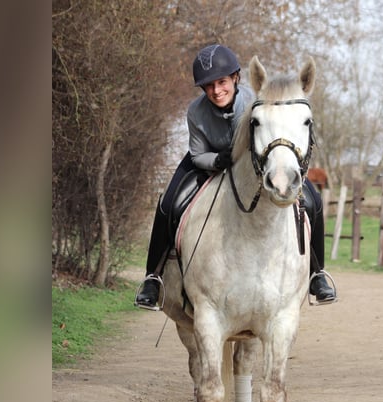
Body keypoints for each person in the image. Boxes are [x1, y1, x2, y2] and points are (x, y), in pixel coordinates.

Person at [135, 44, 336, 309]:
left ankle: (317, 274)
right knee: (168, 203)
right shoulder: (196, 112)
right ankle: (153, 278)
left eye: (222, 82)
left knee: (313, 201)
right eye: (208, 86)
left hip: (250, 163)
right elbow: (197, 153)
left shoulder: (255, 100)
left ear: (235, 79)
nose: (216, 90)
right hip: (207, 161)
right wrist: (218, 160)